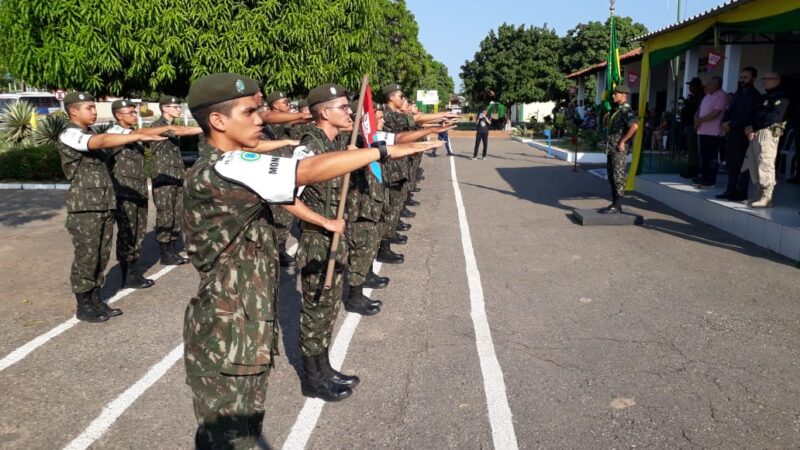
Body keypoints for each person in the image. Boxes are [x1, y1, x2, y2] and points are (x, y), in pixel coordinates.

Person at [181, 73, 440, 448]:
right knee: (228, 439)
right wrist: (381, 151)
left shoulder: (232, 161)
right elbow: (305, 171)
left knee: (242, 434)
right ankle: (315, 376)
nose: (260, 119)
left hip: (242, 326)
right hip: (228, 332)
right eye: (251, 112)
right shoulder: (221, 168)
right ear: (218, 121)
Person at [57, 92, 165, 322]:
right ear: (73, 111)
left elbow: (114, 138)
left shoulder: (90, 132)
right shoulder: (70, 134)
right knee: (87, 256)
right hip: (84, 206)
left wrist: (154, 133)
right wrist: (133, 137)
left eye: (94, 107)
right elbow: (102, 142)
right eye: (89, 108)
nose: (94, 112)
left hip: (104, 202)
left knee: (100, 255)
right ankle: (84, 305)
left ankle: (96, 299)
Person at [106, 100, 200, 288]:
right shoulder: (116, 133)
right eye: (130, 112)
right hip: (126, 190)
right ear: (118, 115)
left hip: (140, 187)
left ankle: (138, 269)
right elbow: (178, 131)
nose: (135, 115)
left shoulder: (138, 133)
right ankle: (130, 273)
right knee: (131, 231)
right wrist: (205, 127)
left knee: (141, 230)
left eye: (135, 111)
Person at [149, 94, 202, 264]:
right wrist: (205, 128)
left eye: (179, 107)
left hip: (176, 176)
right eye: (176, 107)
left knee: (177, 213)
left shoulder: (170, 125)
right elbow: (182, 131)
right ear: (165, 108)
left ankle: (171, 249)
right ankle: (165, 252)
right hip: (164, 177)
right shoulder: (158, 126)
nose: (179, 109)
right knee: (166, 214)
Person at [741, 71, 789, 207]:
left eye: (769, 79)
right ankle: (759, 195)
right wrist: (750, 127)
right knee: (755, 163)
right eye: (763, 78)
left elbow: (774, 117)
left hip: (768, 133)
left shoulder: (782, 97)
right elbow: (755, 114)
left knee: (765, 163)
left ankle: (767, 197)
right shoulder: (764, 97)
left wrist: (755, 126)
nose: (765, 81)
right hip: (756, 132)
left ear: (777, 81)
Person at [718, 67, 761, 201]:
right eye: (741, 77)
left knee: (743, 165)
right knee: (731, 164)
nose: (742, 80)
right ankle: (730, 190)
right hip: (731, 134)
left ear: (753, 79)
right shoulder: (738, 93)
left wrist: (730, 125)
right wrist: (724, 122)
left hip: (744, 134)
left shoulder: (754, 95)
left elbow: (747, 115)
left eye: (745, 77)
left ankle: (741, 193)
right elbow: (729, 110)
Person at [599, 85, 638, 214]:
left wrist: (623, 141)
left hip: (618, 149)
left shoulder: (626, 110)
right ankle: (614, 203)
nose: (613, 95)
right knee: (611, 176)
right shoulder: (618, 110)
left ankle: (617, 205)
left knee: (617, 176)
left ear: (623, 95)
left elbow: (634, 126)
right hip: (612, 148)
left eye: (616, 94)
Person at [693, 76, 727, 187]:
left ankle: (710, 179)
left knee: (711, 156)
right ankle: (703, 176)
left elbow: (716, 113)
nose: (707, 85)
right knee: (703, 155)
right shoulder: (707, 95)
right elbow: (699, 109)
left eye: (710, 84)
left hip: (713, 132)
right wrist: (696, 120)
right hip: (702, 130)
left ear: (717, 86)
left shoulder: (721, 95)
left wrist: (700, 120)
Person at [680, 77, 705, 179]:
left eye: (692, 85)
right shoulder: (692, 97)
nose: (690, 87)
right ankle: (692, 169)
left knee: (693, 149)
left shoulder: (700, 97)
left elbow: (696, 110)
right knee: (690, 149)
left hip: (694, 125)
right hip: (689, 124)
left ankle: (694, 170)